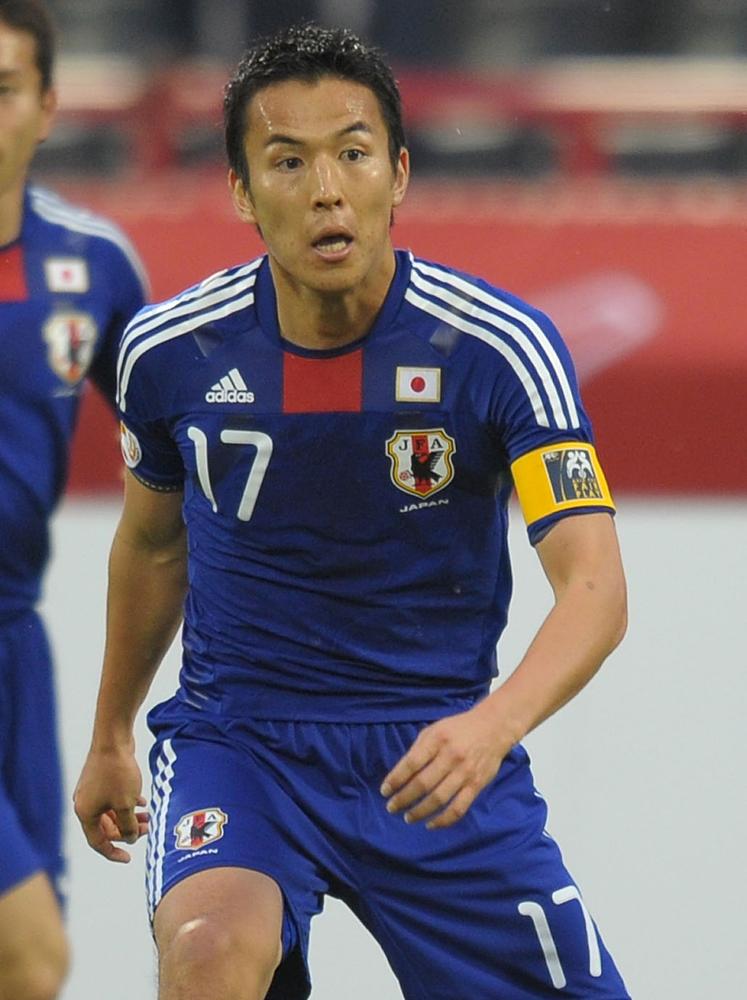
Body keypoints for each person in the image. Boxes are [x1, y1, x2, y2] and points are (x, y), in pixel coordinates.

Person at [74, 22, 630, 1000]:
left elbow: (593, 586)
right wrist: (112, 731)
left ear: (399, 172)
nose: (327, 190)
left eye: (354, 154)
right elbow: (153, 546)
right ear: (242, 191)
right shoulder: (169, 353)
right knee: (205, 952)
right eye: (288, 162)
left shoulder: (500, 349)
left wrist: (490, 727)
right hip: (241, 743)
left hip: (434, 748)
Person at [0, 2, 149, 997]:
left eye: (2, 90)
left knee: (26, 970)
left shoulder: (92, 265)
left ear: (48, 106)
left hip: (17, 646)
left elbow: (178, 462)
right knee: (31, 955)